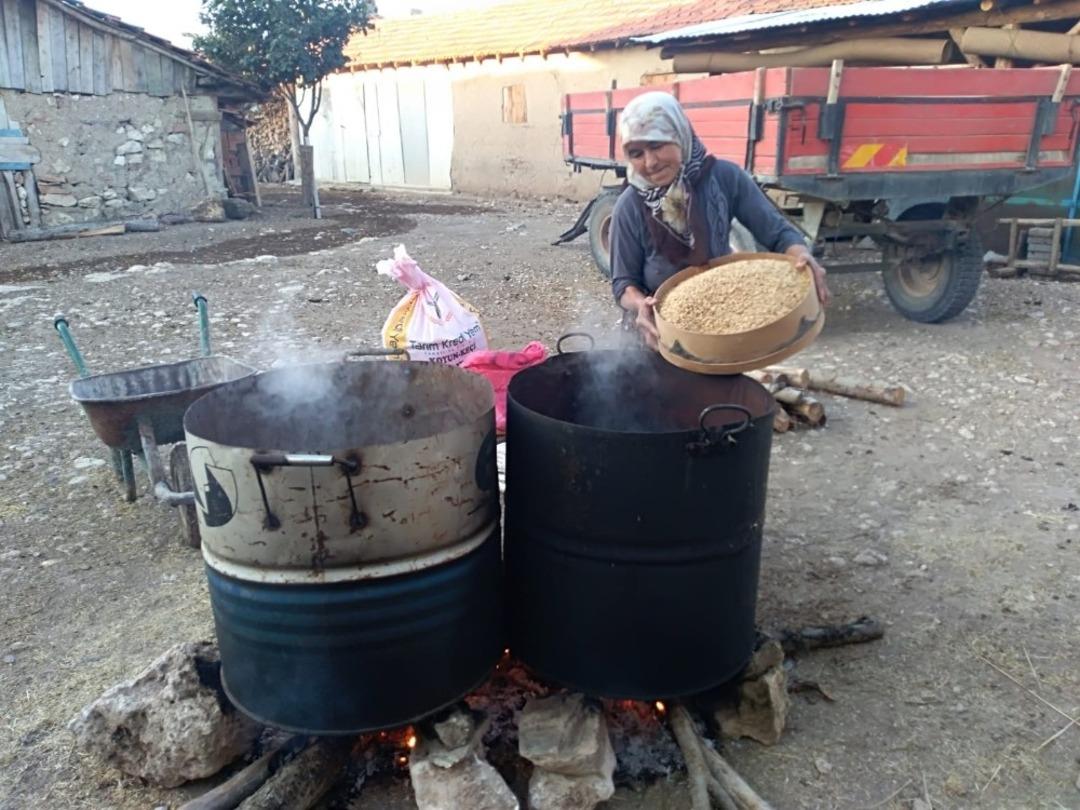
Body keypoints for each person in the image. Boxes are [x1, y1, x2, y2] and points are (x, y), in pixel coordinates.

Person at [610, 92, 830, 348]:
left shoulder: (724, 178)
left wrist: (803, 255)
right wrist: (640, 304)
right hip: (658, 338)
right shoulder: (630, 206)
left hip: (720, 328)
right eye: (636, 153)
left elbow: (778, 233)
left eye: (658, 145)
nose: (650, 162)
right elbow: (623, 283)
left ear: (680, 135)